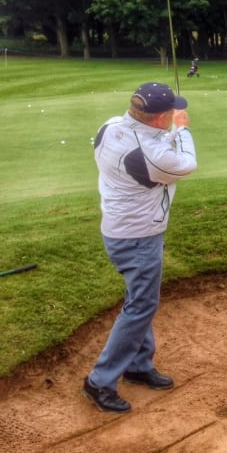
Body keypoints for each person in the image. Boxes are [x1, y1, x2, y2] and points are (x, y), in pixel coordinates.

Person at [82, 82, 197, 413]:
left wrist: (166, 131)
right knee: (141, 306)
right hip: (139, 237)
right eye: (169, 113)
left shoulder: (110, 127)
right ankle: (100, 381)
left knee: (140, 299)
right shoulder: (152, 156)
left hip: (118, 231)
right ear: (160, 118)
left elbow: (151, 146)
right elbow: (185, 163)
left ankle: (138, 365)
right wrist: (183, 128)